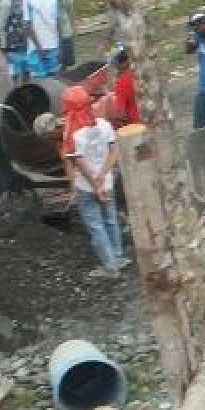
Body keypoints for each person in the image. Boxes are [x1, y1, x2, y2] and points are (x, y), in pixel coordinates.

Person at [61, 86, 126, 278]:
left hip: (87, 187)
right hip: (107, 182)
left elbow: (78, 162)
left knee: (96, 225)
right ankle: (118, 257)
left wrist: (94, 184)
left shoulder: (73, 133)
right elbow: (114, 151)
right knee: (111, 219)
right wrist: (103, 175)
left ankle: (110, 267)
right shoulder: (104, 125)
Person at [23, 0, 61, 79]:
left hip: (53, 45)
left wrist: (60, 46)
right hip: (36, 49)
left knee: (55, 79)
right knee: (40, 81)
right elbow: (28, 25)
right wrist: (39, 47)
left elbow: (57, 22)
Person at [42, 0, 76, 70]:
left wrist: (74, 29)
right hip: (50, 36)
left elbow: (70, 8)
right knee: (55, 66)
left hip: (65, 32)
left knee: (66, 64)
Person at [0, 0, 29, 81]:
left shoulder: (23, 0)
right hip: (12, 48)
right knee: (14, 75)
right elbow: (0, 27)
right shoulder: (6, 3)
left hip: (25, 44)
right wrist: (3, 48)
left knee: (26, 72)